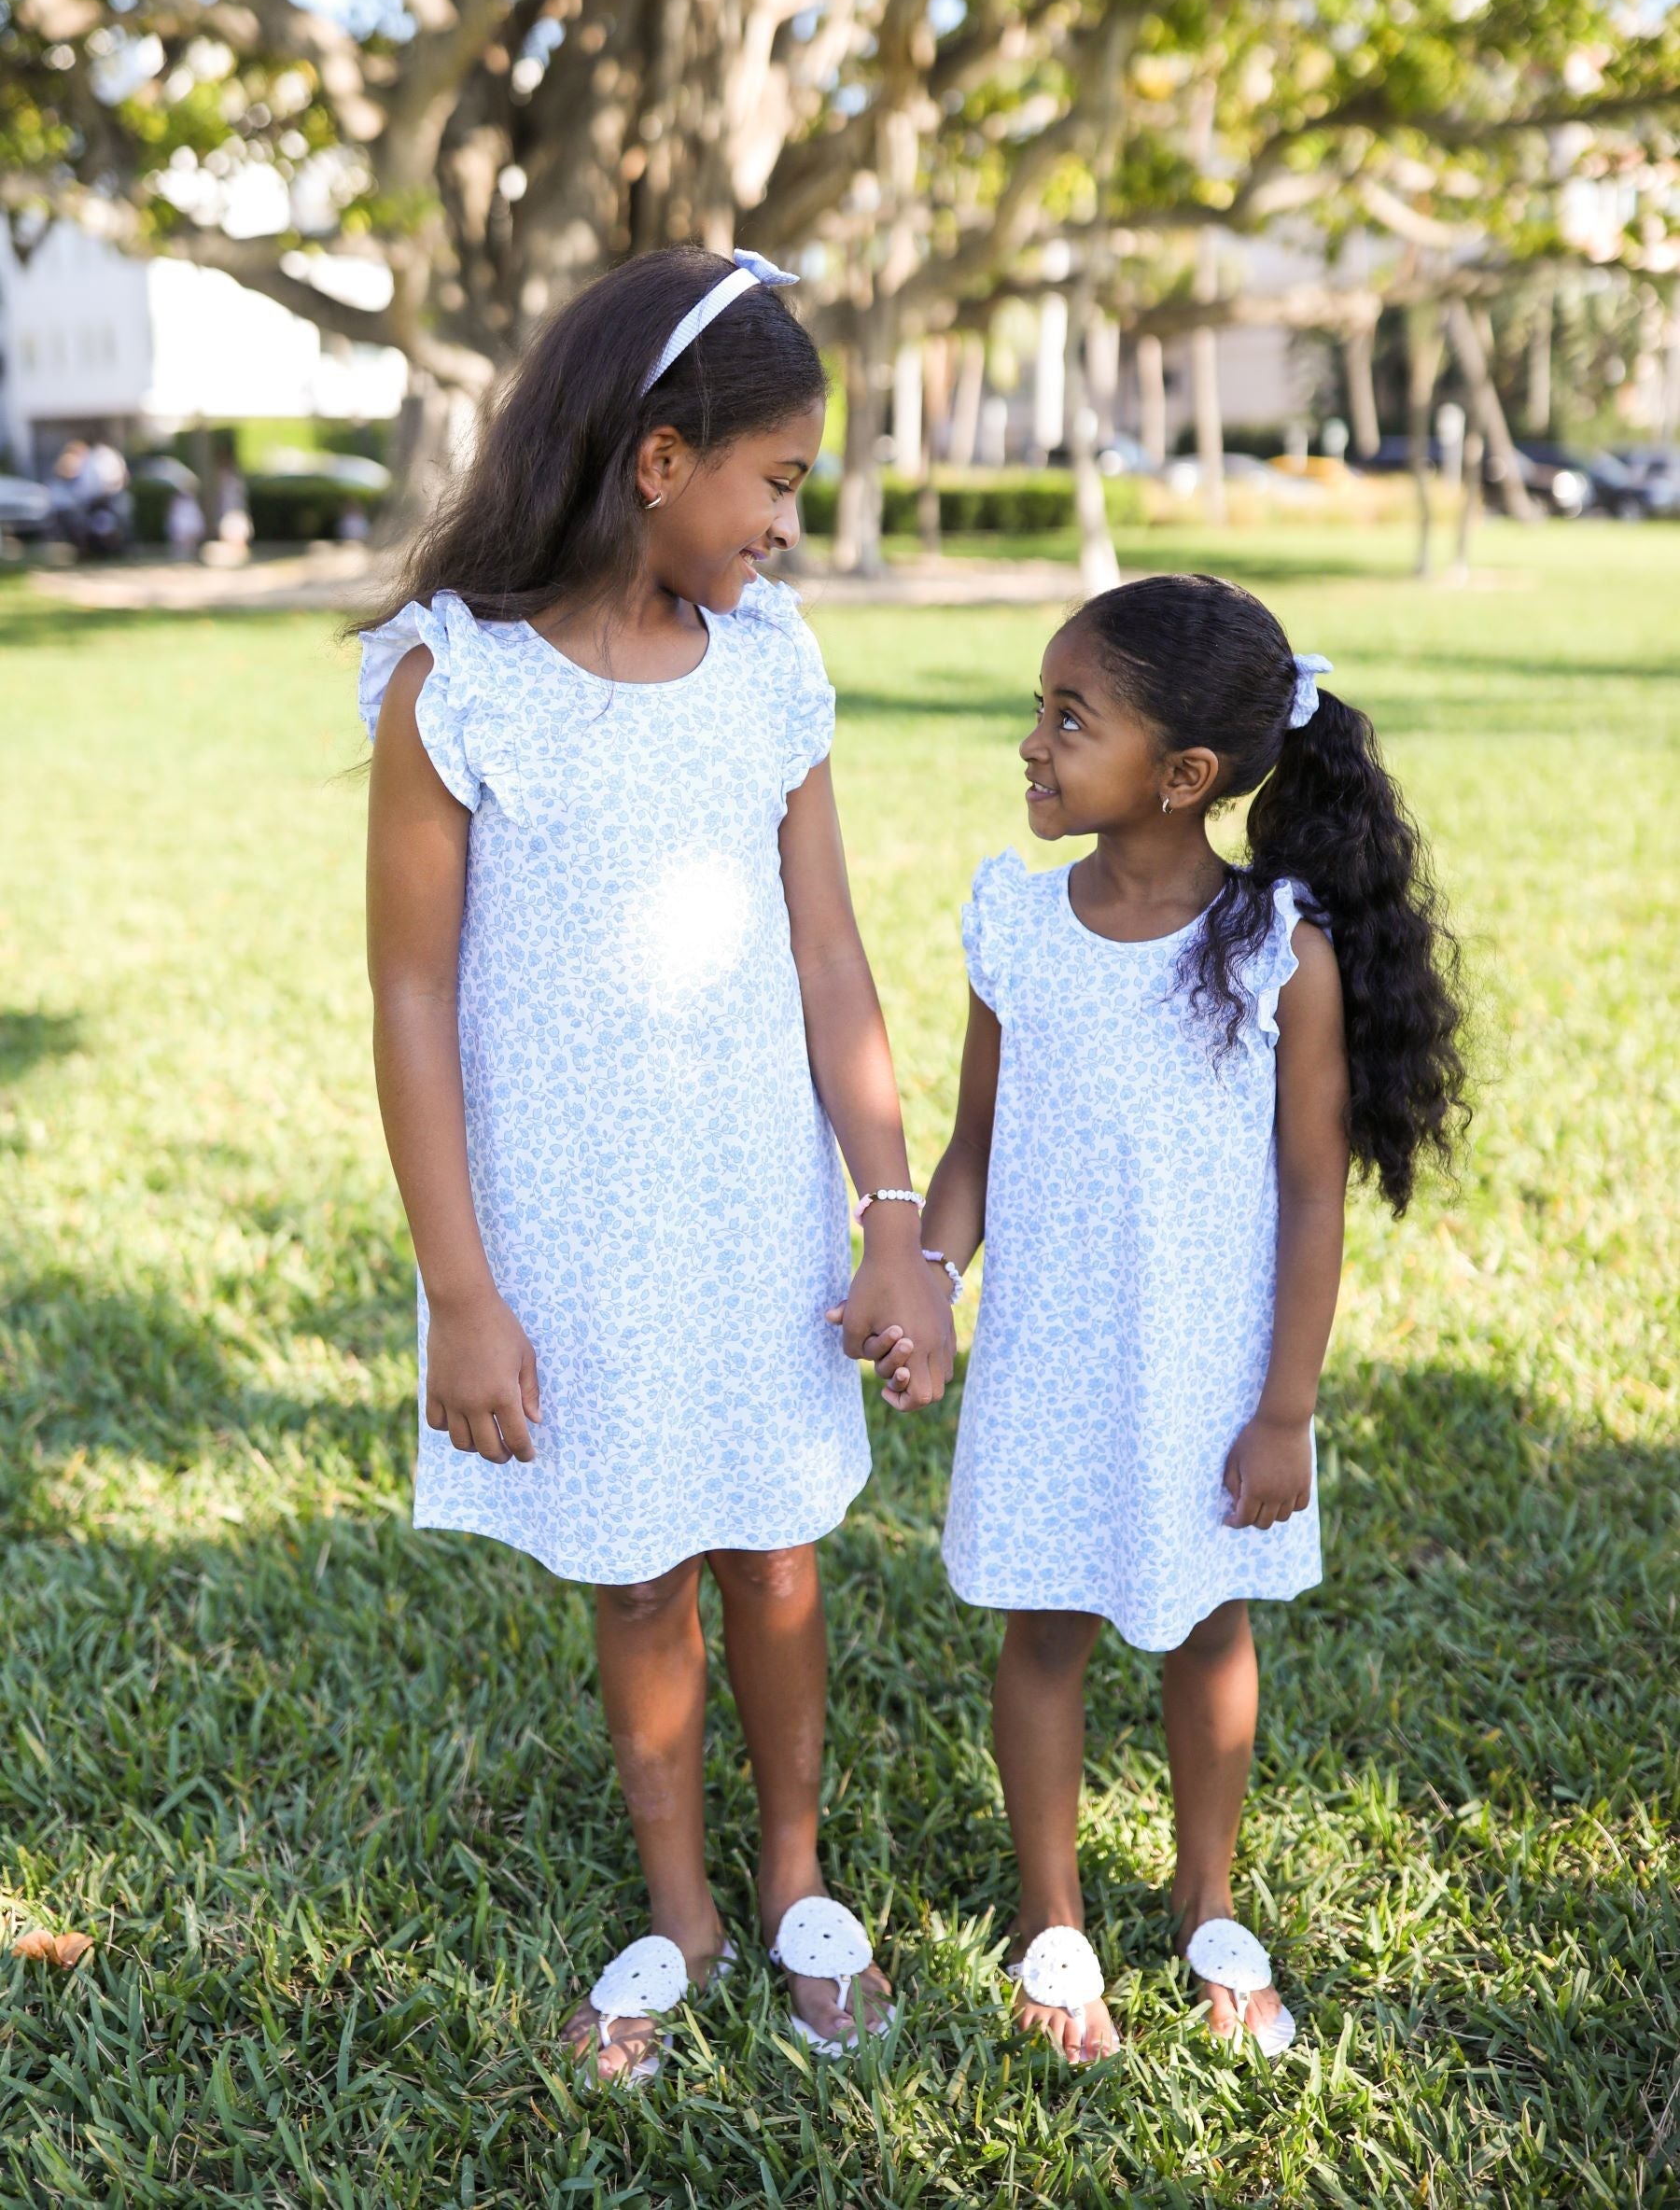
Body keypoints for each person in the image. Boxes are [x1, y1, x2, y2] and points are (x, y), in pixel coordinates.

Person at [357, 245, 953, 2087]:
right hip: (572, 1232)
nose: (785, 524)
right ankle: (680, 1910)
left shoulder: (770, 671)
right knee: (635, 1575)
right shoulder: (458, 683)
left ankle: (794, 1880)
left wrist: (892, 1221)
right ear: (658, 459)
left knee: (776, 1559)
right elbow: (410, 994)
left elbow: (832, 957)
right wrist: (461, 1294)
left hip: (756, 1209)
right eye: (774, 481)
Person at [909, 573, 1466, 2066]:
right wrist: (930, 1282)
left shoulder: (1279, 948)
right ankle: (1051, 1917)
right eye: (1038, 710)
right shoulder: (1017, 926)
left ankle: (1206, 1897)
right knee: (1045, 1630)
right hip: (1050, 1366)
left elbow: (1312, 1192)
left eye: (1068, 718)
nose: (1032, 743)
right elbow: (973, 1150)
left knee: (1212, 1628)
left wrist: (1286, 1410)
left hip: (1211, 1377)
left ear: (1182, 775)